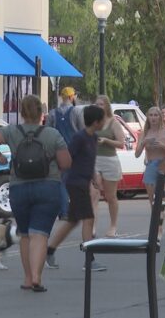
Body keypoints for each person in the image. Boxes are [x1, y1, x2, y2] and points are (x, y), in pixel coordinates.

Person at [0, 95, 71, 292]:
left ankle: (28, 278)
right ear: (41, 113)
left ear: (21, 113)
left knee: (25, 234)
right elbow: (65, 163)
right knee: (39, 234)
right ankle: (38, 277)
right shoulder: (52, 134)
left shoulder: (12, 131)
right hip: (48, 187)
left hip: (19, 188)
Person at [46, 106, 106, 272]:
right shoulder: (79, 138)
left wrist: (94, 177)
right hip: (76, 182)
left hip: (84, 181)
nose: (104, 122)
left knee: (72, 220)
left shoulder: (93, 138)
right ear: (95, 121)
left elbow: (90, 161)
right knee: (88, 218)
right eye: (102, 120)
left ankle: (49, 250)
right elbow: (68, 157)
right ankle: (89, 259)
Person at [90, 95, 125, 238]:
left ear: (107, 106)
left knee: (110, 197)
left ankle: (113, 225)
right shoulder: (92, 122)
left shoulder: (113, 123)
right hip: (94, 160)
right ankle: (92, 226)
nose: (99, 107)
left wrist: (106, 140)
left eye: (101, 104)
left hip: (110, 160)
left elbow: (121, 143)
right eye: (96, 104)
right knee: (93, 194)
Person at [47, 87, 81, 220]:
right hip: (74, 151)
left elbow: (48, 132)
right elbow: (82, 131)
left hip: (58, 152)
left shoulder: (53, 113)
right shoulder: (76, 112)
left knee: (61, 181)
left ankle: (63, 211)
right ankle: (71, 210)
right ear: (72, 97)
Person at [135, 107, 165, 203]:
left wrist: (163, 146)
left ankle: (162, 213)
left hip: (164, 164)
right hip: (151, 164)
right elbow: (137, 154)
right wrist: (144, 142)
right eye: (151, 115)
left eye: (156, 115)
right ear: (148, 117)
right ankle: (154, 213)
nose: (153, 118)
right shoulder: (144, 133)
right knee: (151, 196)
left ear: (160, 117)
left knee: (162, 195)